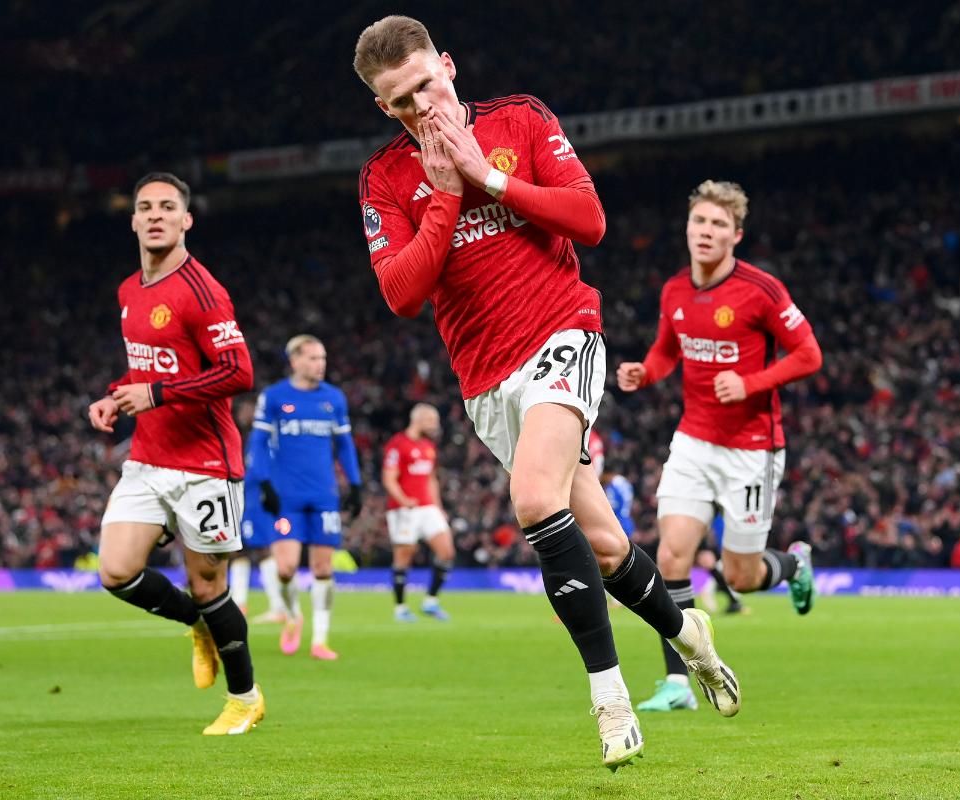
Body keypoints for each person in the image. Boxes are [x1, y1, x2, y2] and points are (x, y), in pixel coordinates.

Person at [353, 16, 739, 771]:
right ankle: (691, 638)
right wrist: (441, 198)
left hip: (563, 332)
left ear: (450, 67)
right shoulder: (384, 179)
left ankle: (611, 701)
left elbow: (589, 220)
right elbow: (400, 294)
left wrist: (487, 175)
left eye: (427, 84)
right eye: (401, 102)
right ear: (383, 109)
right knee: (599, 541)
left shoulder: (521, 121)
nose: (421, 106)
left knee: (534, 500)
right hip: (487, 379)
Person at [617, 180, 823, 713]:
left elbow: (809, 354)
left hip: (752, 448)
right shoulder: (674, 291)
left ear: (736, 235)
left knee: (741, 576)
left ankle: (795, 566)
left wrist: (752, 383)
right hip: (693, 439)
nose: (705, 232)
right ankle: (678, 684)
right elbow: (666, 352)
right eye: (698, 223)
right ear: (687, 229)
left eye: (716, 225)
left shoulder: (762, 290)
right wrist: (647, 372)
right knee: (671, 555)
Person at [88, 172, 263, 735]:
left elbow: (240, 372)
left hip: (206, 465)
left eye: (168, 206)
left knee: (209, 584)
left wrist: (155, 394)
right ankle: (199, 625)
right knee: (115, 571)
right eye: (145, 207)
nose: (156, 214)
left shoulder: (202, 290)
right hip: (148, 457)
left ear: (187, 219)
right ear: (133, 220)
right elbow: (151, 370)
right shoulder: (127, 291)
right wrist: (117, 397)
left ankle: (245, 699)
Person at [246, 335, 364, 660]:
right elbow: (257, 443)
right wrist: (264, 483)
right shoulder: (274, 397)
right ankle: (293, 614)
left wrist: (355, 485)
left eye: (322, 358)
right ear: (295, 361)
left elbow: (345, 446)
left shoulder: (334, 399)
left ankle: (320, 639)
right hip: (286, 497)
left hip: (323, 496)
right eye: (313, 358)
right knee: (285, 568)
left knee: (323, 568)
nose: (320, 364)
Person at [383, 403, 454, 622]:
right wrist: (404, 500)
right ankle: (401, 608)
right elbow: (389, 478)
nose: (436, 425)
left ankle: (430, 602)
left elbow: (431, 479)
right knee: (405, 555)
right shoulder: (398, 444)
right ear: (418, 420)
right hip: (404, 510)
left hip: (427, 507)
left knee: (446, 552)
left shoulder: (428, 446)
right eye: (432, 420)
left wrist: (438, 507)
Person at [230, 399, 290, 623]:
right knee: (240, 550)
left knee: (262, 548)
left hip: (257, 498)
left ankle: (278, 607)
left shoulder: (262, 436)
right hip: (248, 497)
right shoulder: (254, 437)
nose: (244, 413)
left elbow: (262, 469)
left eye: (248, 409)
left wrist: (269, 491)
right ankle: (239, 603)